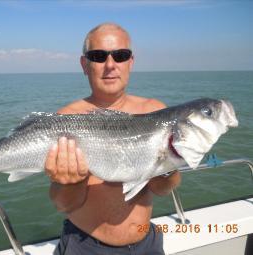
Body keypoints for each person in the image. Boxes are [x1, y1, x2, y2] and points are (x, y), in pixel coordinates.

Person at [45, 23, 181, 255]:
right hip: (85, 246)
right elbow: (64, 204)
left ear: (131, 62)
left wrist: (167, 165)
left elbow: (162, 189)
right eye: (98, 56)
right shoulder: (65, 120)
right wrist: (73, 181)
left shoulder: (156, 112)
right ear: (84, 64)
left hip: (147, 244)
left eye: (120, 55)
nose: (110, 65)